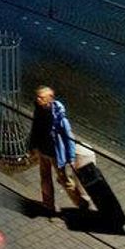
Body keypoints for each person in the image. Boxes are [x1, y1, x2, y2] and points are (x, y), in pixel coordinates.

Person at [29, 86, 85, 214]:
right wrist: (32, 146)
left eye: (41, 97)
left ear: (50, 98)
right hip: (42, 150)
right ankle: (48, 204)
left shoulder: (58, 116)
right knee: (45, 177)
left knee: (63, 179)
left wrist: (71, 158)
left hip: (55, 154)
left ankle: (81, 203)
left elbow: (68, 137)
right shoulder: (39, 109)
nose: (38, 99)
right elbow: (35, 129)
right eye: (37, 96)